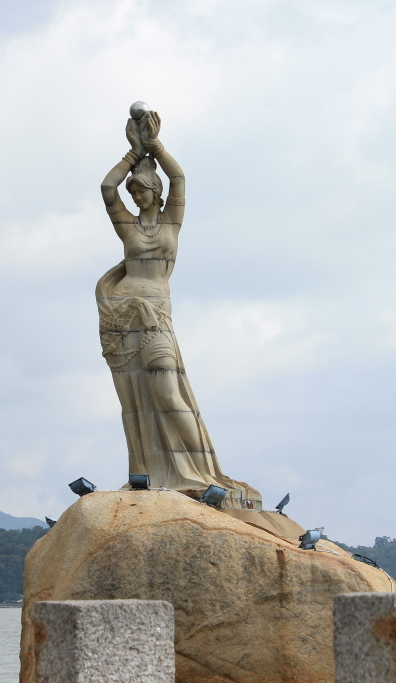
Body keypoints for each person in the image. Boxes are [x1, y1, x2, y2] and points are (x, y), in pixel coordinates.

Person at [97, 110, 260, 509]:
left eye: (141, 191)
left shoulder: (172, 222)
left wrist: (154, 148)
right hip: (122, 318)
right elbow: (106, 187)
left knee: (169, 393)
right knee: (134, 402)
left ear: (156, 191)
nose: (135, 197)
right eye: (132, 192)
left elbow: (180, 179)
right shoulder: (128, 227)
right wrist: (132, 155)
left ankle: (202, 474)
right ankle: (148, 475)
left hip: (157, 318)